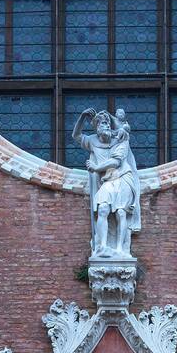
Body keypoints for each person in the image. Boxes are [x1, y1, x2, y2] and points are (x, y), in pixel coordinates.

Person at [72, 107, 140, 256]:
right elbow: (76, 135)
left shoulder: (122, 138)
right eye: (103, 123)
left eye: (108, 123)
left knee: (121, 213)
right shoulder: (91, 141)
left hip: (123, 177)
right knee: (102, 208)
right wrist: (82, 117)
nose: (107, 125)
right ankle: (102, 246)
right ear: (97, 127)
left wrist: (96, 167)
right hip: (107, 180)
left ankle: (120, 250)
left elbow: (116, 162)